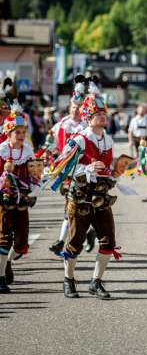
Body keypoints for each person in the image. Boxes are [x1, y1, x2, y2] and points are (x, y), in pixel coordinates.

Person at [59, 81, 120, 299]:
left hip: (102, 197)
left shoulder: (109, 140)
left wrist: (116, 171)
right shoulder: (80, 139)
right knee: (75, 241)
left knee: (108, 241)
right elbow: (61, 165)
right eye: (97, 113)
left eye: (103, 113)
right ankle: (68, 279)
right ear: (87, 117)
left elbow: (109, 168)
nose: (102, 116)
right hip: (81, 197)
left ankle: (96, 281)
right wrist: (86, 168)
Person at [0, 104, 41, 293]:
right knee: (2, 239)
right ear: (9, 132)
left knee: (22, 242)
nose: (22, 134)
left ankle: (7, 262)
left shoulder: (28, 151)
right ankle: (1, 277)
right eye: (18, 131)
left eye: (24, 131)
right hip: (3, 200)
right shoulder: (1, 150)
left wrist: (34, 187)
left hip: (21, 201)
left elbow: (34, 176)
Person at [48, 77, 88, 256]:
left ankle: (74, 237)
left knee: (82, 206)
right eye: (73, 107)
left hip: (82, 171)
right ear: (70, 108)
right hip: (66, 172)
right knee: (69, 205)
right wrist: (54, 158)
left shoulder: (87, 126)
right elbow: (54, 146)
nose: (76, 110)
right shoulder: (61, 126)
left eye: (79, 108)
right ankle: (61, 240)